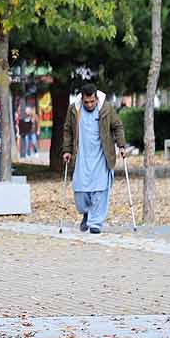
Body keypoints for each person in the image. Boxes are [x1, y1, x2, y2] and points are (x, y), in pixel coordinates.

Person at [61, 82, 127, 235]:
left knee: (100, 190)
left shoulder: (106, 108)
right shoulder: (74, 109)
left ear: (96, 98)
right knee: (80, 192)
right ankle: (86, 213)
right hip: (81, 156)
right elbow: (67, 130)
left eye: (92, 101)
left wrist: (121, 145)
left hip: (101, 155)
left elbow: (117, 126)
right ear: (82, 99)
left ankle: (95, 222)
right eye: (86, 102)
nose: (89, 104)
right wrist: (66, 150)